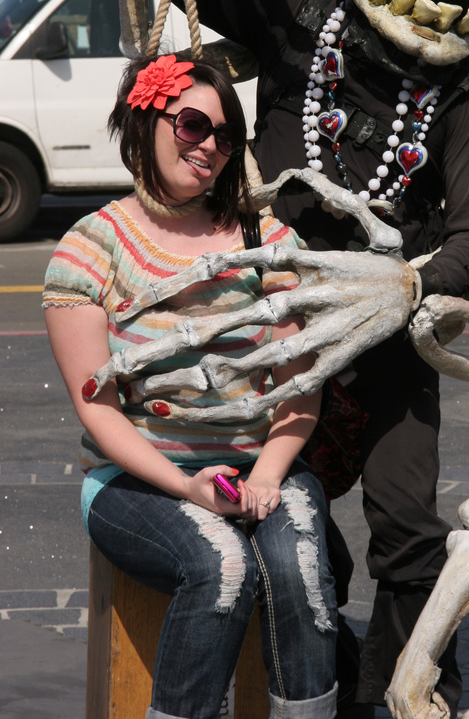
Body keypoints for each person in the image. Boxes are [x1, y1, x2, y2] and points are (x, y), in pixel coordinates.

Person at [146, 0, 469, 718]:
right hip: (268, 320)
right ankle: (318, 662)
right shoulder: (300, 15)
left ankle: (408, 694)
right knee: (269, 506)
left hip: (388, 330)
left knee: (408, 524)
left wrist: (408, 280)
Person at [43, 53, 337, 719]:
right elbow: (101, 411)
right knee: (220, 566)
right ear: (145, 121)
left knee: (298, 570)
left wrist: (266, 475)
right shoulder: (90, 248)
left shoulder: (271, 245)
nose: (209, 146)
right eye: (193, 124)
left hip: (262, 465)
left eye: (226, 135)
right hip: (137, 482)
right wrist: (186, 488)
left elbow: (301, 384)